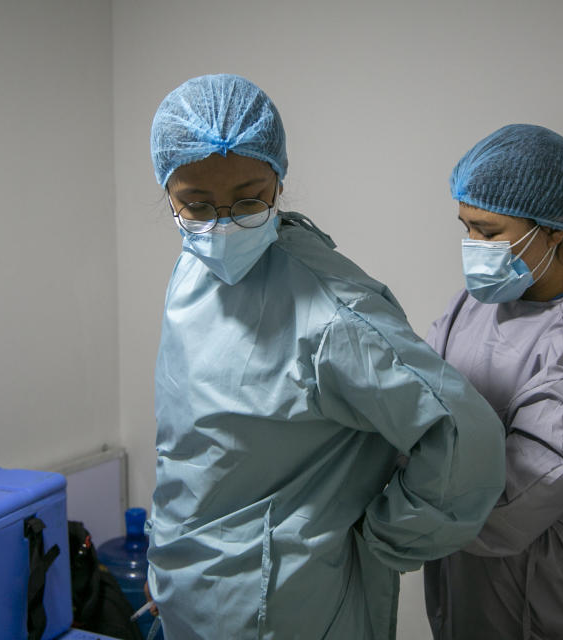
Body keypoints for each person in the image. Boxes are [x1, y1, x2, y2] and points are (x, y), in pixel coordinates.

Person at [144, 74, 506, 639]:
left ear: (279, 179)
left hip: (289, 604)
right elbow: (190, 442)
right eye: (196, 205)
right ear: (167, 191)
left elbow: (464, 437)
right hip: (187, 584)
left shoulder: (333, 313)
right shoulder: (194, 269)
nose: (223, 224)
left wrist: (386, 538)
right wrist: (165, 554)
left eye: (249, 199)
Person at [422, 124, 563, 639]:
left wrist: (383, 513)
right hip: (474, 581)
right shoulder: (476, 304)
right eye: (465, 227)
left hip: (556, 595)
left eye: (487, 232)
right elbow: (420, 398)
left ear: (554, 228)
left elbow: (506, 507)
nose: (471, 247)